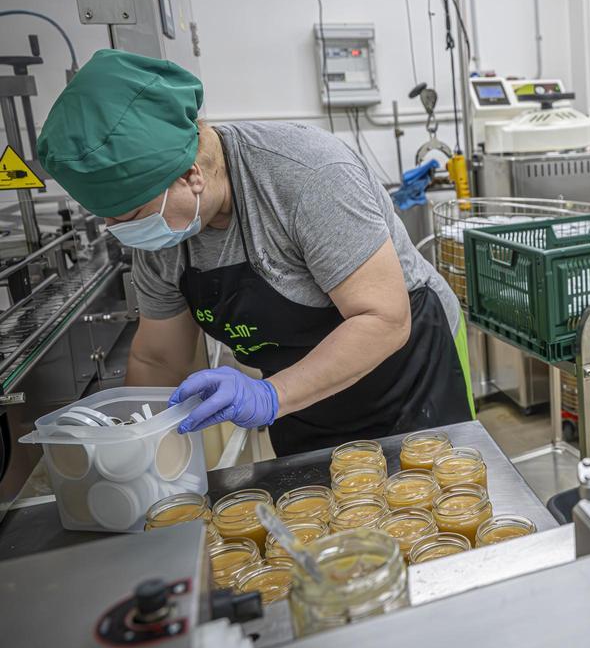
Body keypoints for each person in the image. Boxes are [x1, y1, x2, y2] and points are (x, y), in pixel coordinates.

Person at [38, 49, 473, 456]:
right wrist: (135, 452)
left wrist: (269, 395)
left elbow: (383, 319)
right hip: (303, 393)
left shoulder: (305, 175)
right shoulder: (162, 235)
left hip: (408, 369)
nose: (124, 233)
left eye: (133, 213)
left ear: (190, 175)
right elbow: (159, 357)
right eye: (111, 221)